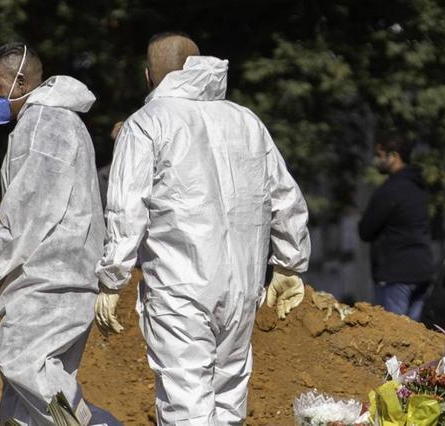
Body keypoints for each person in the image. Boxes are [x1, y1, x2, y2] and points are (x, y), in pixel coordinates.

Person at [94, 33, 311, 424]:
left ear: (148, 76)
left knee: (186, 405)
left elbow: (126, 210)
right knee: (228, 400)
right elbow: (285, 198)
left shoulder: (146, 124)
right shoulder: (247, 121)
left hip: (180, 290)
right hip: (243, 289)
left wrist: (112, 279)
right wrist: (289, 266)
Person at [0, 42, 118, 426]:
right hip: (59, 275)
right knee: (23, 409)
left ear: (20, 82)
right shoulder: (59, 123)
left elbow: (29, 213)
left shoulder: (42, 126)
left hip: (50, 279)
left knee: (25, 367)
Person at [358, 136, 432, 320]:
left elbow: (365, 230)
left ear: (394, 156)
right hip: (422, 272)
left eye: (379, 155)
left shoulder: (389, 190)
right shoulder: (419, 188)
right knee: (416, 340)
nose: (376, 160)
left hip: (395, 276)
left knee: (393, 340)